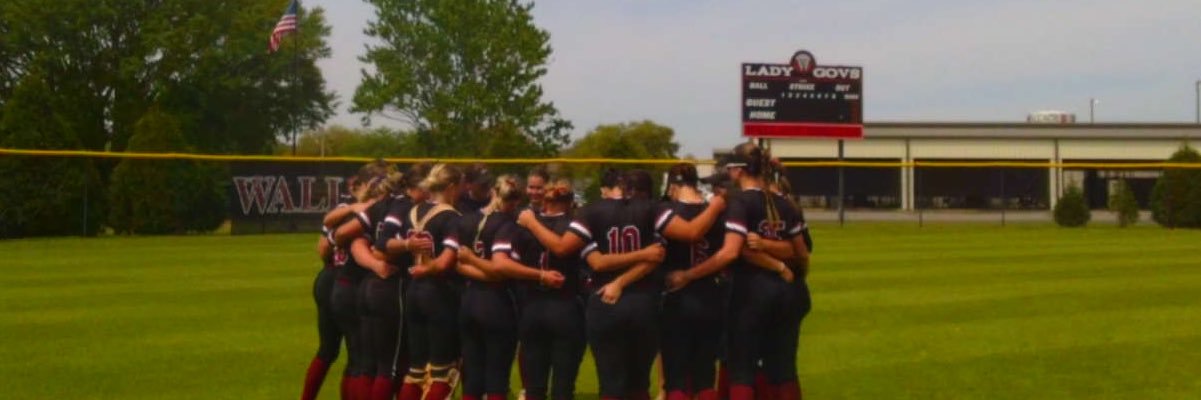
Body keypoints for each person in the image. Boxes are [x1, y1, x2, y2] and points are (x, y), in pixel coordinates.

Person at [720, 143, 811, 400]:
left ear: (739, 170)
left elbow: (734, 251)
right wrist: (780, 265)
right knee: (783, 369)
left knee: (742, 370)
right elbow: (801, 253)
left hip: (751, 292)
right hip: (787, 291)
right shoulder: (785, 203)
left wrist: (690, 275)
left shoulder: (739, 202)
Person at [499, 178, 584, 400]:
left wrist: (537, 275)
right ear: (570, 201)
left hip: (532, 307)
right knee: (563, 388)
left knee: (534, 388)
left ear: (544, 201)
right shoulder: (575, 225)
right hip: (566, 306)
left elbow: (508, 265)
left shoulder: (524, 226)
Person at [397, 164, 466, 400]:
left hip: (413, 291)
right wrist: (428, 268)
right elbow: (445, 262)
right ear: (451, 187)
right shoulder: (451, 217)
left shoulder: (413, 211)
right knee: (442, 372)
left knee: (416, 371)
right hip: (439, 293)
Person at [455, 175, 527, 400]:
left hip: (469, 299)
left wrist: (474, 266)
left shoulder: (466, 220)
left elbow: (458, 264)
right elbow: (499, 268)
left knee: (473, 377)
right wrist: (485, 270)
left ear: (493, 192)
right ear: (516, 201)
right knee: (497, 377)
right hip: (497, 302)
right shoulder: (507, 224)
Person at [329, 161, 396, 399]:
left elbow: (332, 236)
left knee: (360, 362)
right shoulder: (370, 210)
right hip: (355, 285)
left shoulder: (361, 209)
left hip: (349, 284)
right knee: (369, 363)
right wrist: (377, 264)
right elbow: (343, 237)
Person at [301, 177, 362, 400]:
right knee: (357, 356)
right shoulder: (367, 210)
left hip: (328, 277)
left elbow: (323, 249)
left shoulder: (341, 209)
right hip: (349, 282)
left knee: (327, 350)